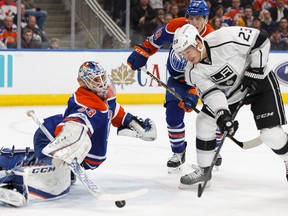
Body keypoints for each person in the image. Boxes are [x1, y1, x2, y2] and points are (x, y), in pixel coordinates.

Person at [0, 61, 157, 206]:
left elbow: (100, 115)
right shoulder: (91, 100)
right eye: (96, 79)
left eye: (102, 77)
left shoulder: (96, 98)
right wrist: (65, 143)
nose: (101, 82)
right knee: (52, 146)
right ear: (83, 83)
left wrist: (133, 123)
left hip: (83, 151)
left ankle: (42, 167)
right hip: (70, 144)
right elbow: (85, 119)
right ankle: (31, 174)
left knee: (49, 146)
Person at [172, 24, 288, 188]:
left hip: (260, 83)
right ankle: (205, 170)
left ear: (197, 41)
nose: (186, 57)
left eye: (187, 51)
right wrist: (223, 115)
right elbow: (213, 94)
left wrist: (256, 70)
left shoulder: (224, 38)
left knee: (271, 135)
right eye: (182, 54)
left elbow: (261, 40)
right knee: (204, 121)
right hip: (232, 94)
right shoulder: (192, 72)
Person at [127, 0, 222, 174]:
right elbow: (155, 40)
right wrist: (142, 52)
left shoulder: (211, 39)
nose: (194, 23)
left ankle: (214, 149)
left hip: (204, 82)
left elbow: (208, 73)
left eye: (198, 19)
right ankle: (178, 153)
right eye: (191, 18)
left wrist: (194, 93)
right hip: (177, 79)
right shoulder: (176, 26)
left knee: (214, 115)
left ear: (206, 19)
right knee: (172, 114)